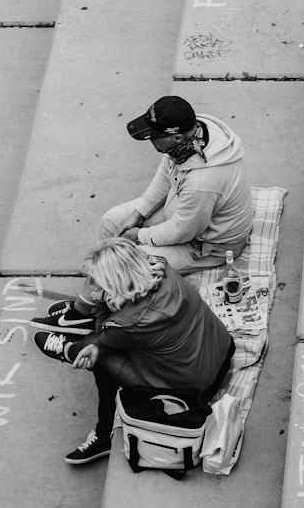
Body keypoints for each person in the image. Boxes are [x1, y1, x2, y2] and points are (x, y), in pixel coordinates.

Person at [32, 96, 253, 336]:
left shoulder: (204, 181)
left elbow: (184, 231)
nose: (150, 140)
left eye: (153, 137)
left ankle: (83, 314)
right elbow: (164, 174)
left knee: (126, 263)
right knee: (111, 220)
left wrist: (140, 235)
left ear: (176, 137)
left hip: (207, 246)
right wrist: (138, 214)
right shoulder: (186, 139)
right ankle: (95, 293)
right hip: (183, 208)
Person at [33, 238, 235, 465]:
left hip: (192, 388)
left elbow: (103, 334)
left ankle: (102, 432)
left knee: (97, 354)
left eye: (98, 283)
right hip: (221, 349)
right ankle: (76, 322)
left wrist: (97, 307)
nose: (95, 287)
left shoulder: (124, 325)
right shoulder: (161, 267)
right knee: (109, 340)